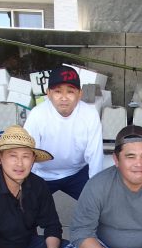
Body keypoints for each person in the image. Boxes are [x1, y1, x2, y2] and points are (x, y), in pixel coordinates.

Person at [24, 65, 104, 200]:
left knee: (99, 206)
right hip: (43, 174)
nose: (64, 97)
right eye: (57, 91)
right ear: (48, 93)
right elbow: (27, 151)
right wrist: (25, 185)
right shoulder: (37, 114)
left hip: (77, 172)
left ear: (80, 94)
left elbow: (95, 155)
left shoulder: (90, 114)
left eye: (70, 91)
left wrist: (96, 189)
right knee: (25, 211)